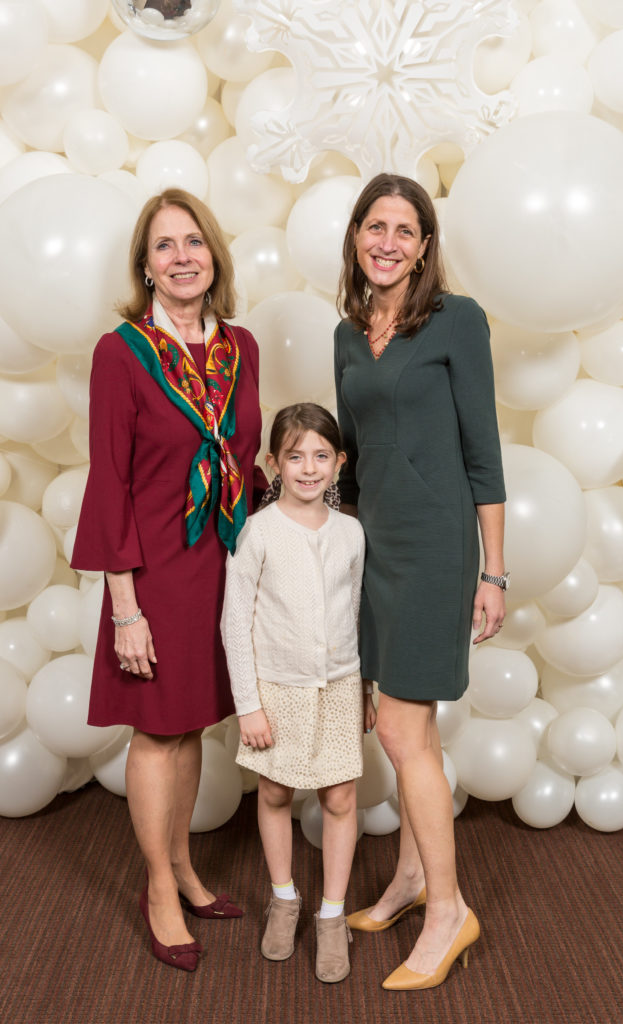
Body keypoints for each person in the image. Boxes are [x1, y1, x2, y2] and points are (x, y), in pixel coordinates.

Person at [71, 188, 265, 972]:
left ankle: (184, 866)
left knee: (190, 727)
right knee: (156, 732)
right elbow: (108, 480)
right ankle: (158, 886)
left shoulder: (239, 347)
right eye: (164, 246)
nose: (182, 256)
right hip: (151, 573)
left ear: (212, 255)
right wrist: (125, 610)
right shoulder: (121, 352)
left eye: (194, 242)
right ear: (144, 267)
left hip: (221, 565)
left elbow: (244, 460)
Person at [333, 173, 507, 991]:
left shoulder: (456, 321)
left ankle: (448, 912)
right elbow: (356, 461)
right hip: (375, 549)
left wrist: (493, 570)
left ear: (425, 246)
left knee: (402, 731)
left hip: (437, 549)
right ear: (357, 235)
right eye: (376, 225)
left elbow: (483, 452)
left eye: (405, 229)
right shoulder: (345, 334)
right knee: (408, 732)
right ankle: (407, 881)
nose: (388, 242)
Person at [221, 403, 376, 983]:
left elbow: (357, 612)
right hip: (275, 689)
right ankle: (283, 898)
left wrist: (363, 686)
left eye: (320, 456)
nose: (308, 469)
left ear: (338, 462)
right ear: (273, 464)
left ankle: (331, 914)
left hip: (338, 684)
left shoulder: (351, 533)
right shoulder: (257, 532)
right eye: (295, 457)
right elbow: (235, 622)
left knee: (339, 799)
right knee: (276, 792)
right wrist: (249, 704)